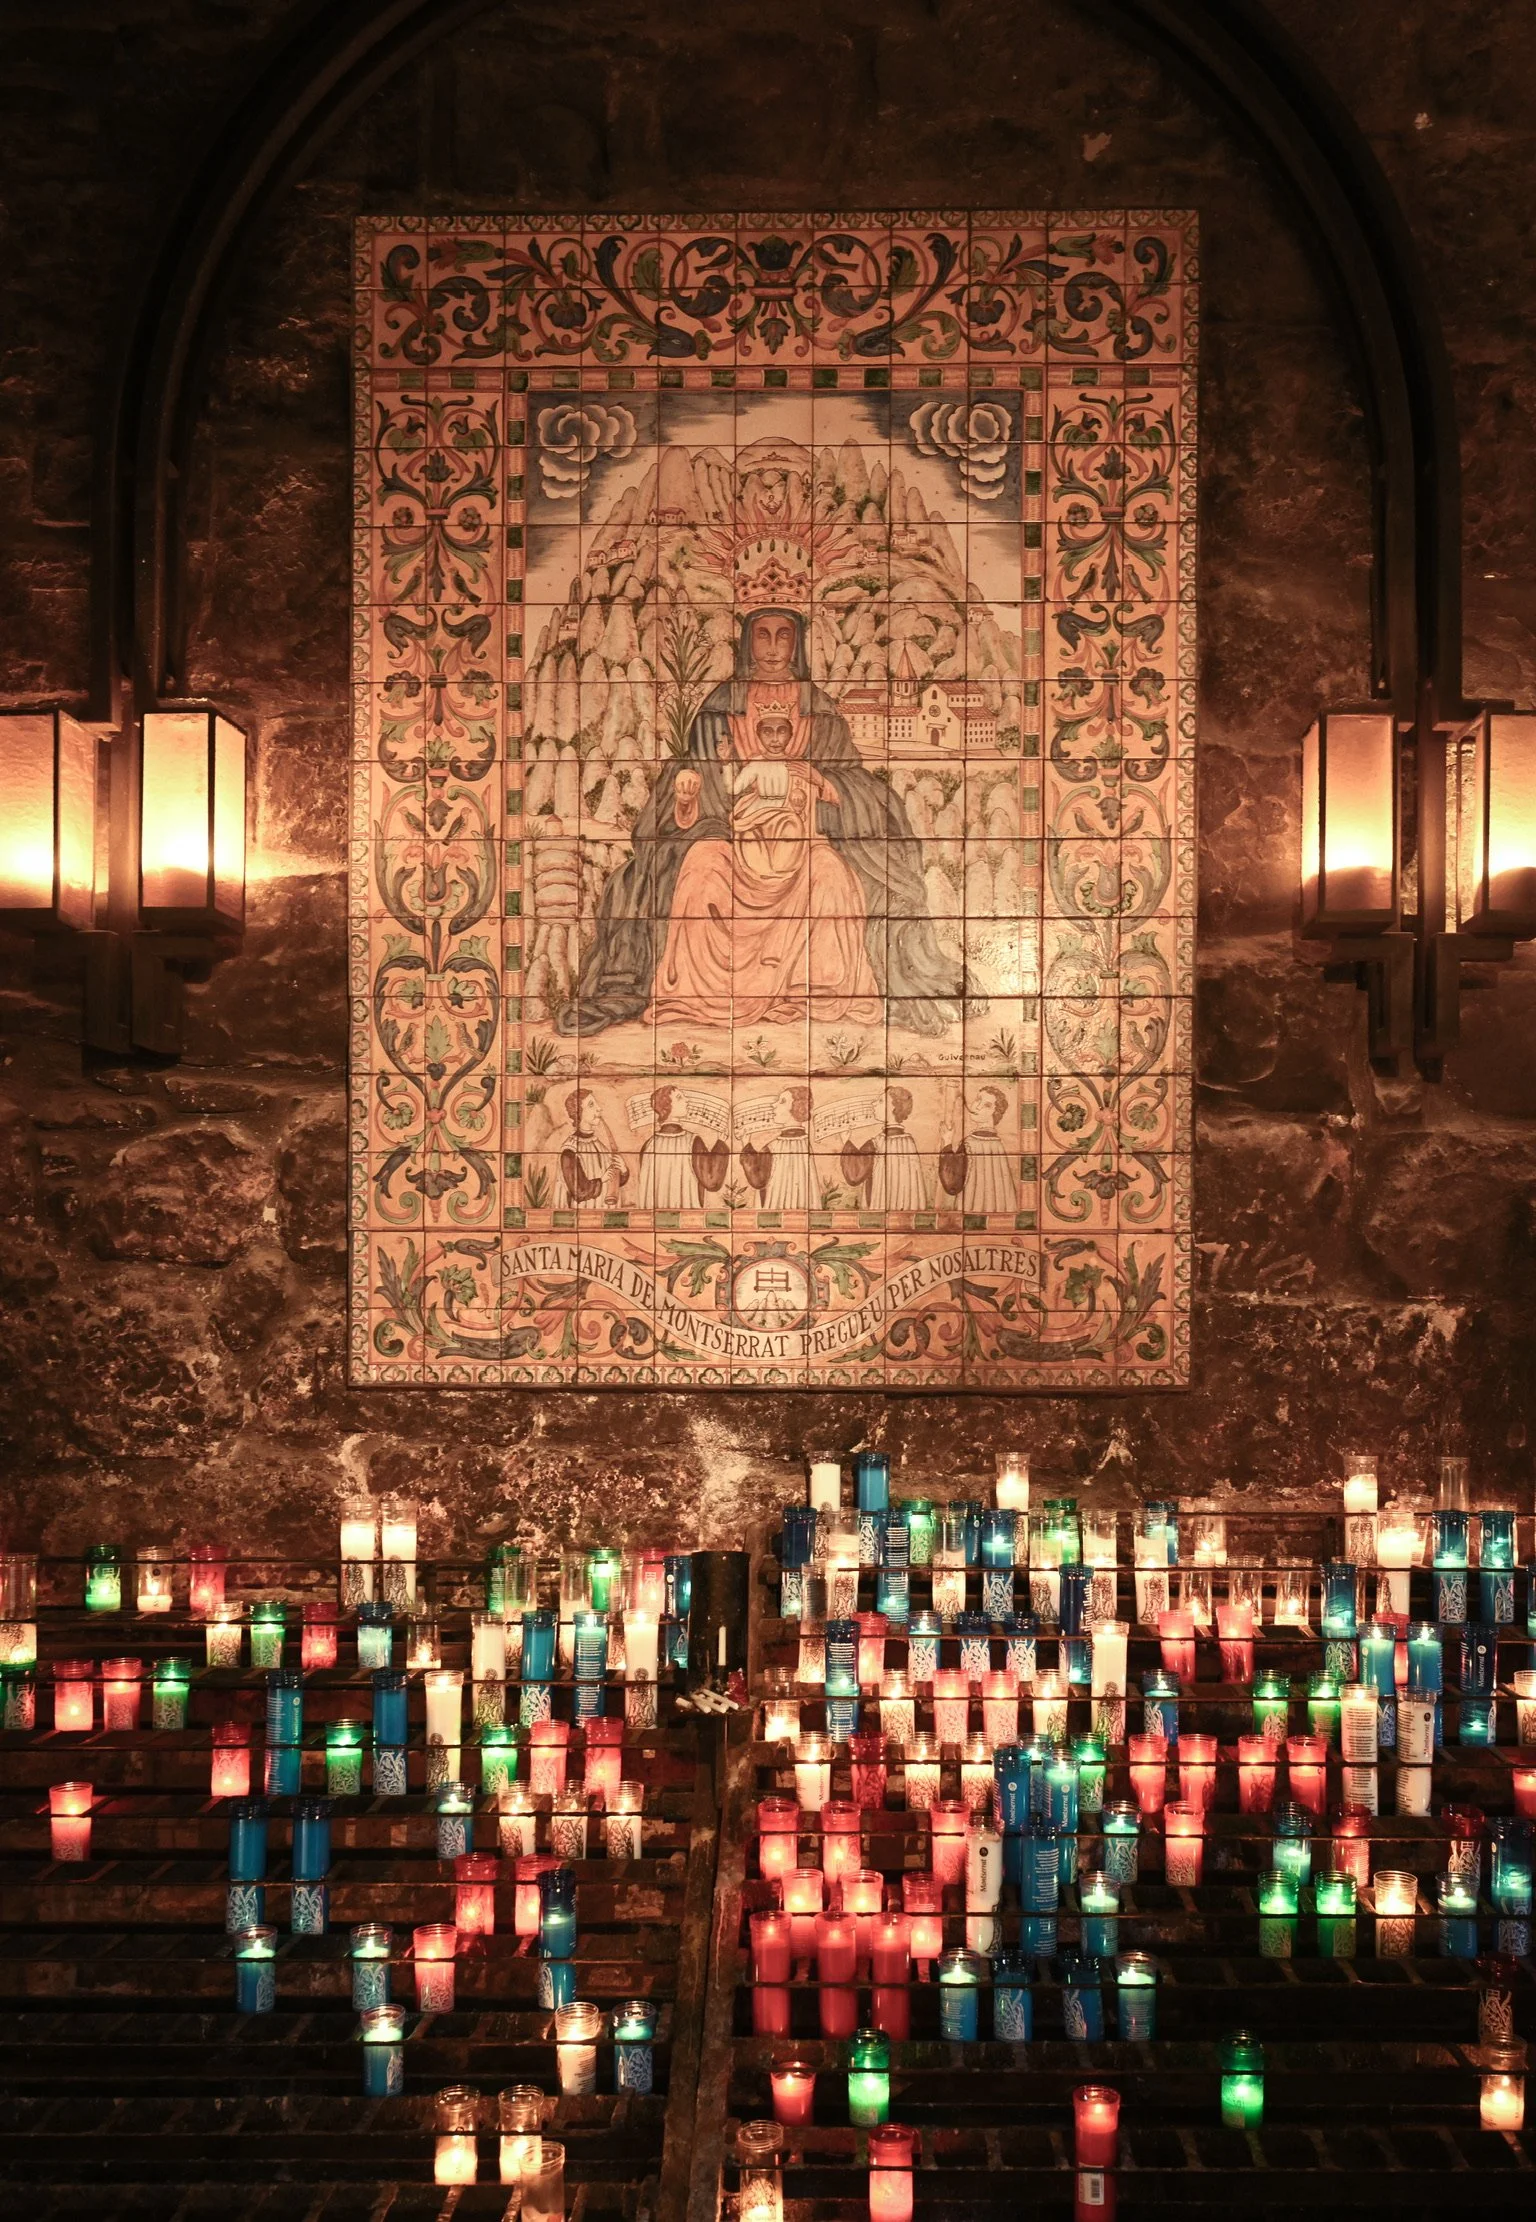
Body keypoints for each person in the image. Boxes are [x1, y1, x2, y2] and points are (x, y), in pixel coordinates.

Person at [557, 607, 968, 1036]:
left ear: (798, 644)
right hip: (733, 840)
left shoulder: (820, 710)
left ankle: (820, 991)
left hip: (803, 843)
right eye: (763, 636)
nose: (773, 648)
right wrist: (688, 800)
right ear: (748, 642)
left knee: (829, 873)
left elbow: (858, 782)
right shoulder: (718, 709)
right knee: (700, 865)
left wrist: (823, 782)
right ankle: (700, 998)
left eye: (783, 636)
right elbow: (696, 784)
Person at [937, 1085, 1013, 1217]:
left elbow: (952, 1185)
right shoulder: (997, 1144)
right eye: (978, 1100)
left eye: (987, 1105)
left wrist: (947, 1142)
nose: (977, 1107)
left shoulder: (970, 1144)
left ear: (996, 1113)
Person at [548, 1088, 626, 1208]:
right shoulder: (570, 1150)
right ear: (579, 1112)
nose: (599, 1108)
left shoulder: (599, 1145)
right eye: (591, 1105)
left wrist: (623, 1171)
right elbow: (579, 1192)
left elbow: (613, 1181)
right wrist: (602, 1180)